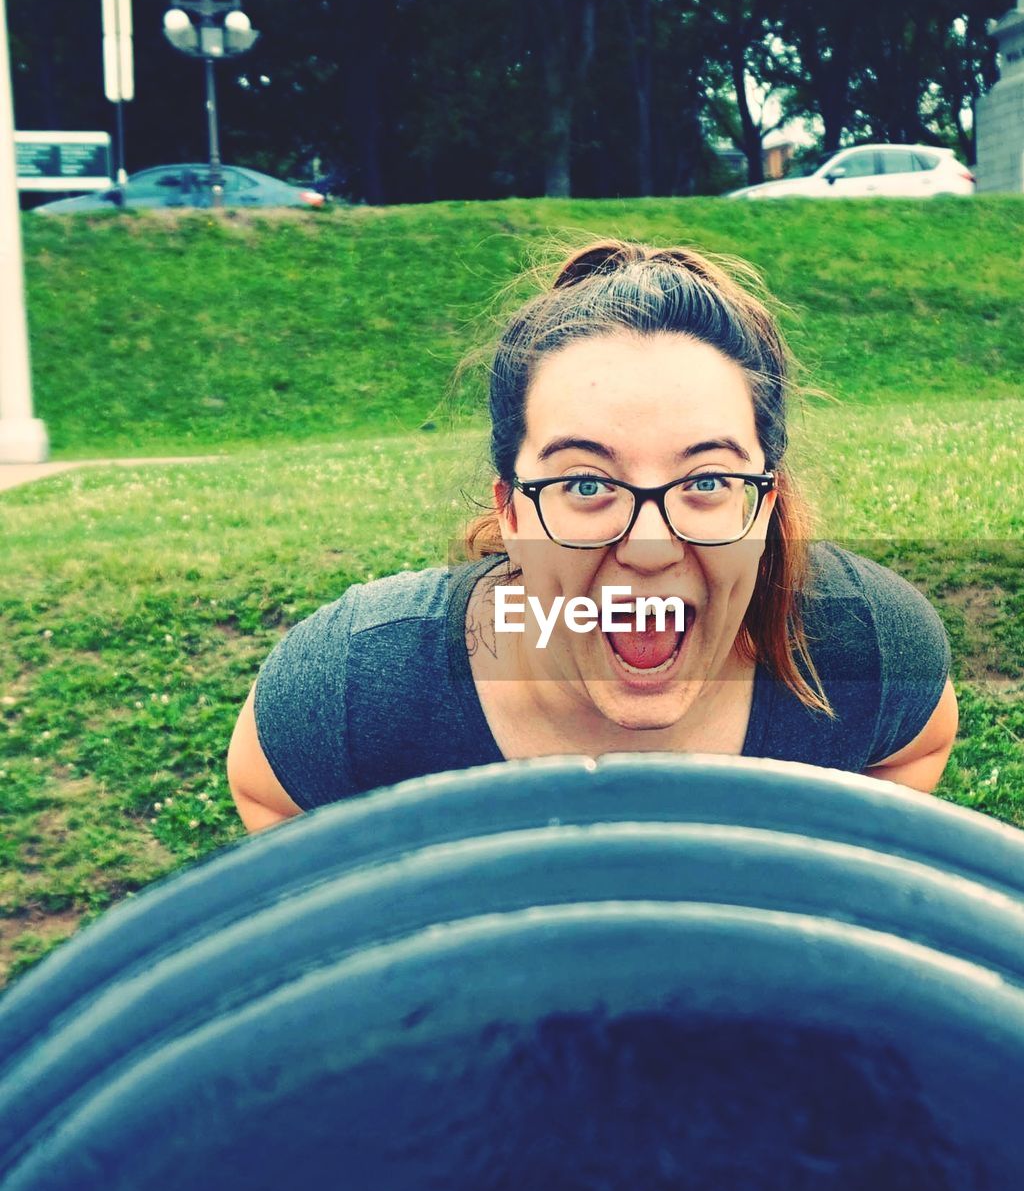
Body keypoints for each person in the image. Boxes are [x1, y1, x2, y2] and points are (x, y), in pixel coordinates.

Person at [227, 240, 958, 832]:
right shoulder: (370, 680)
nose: (648, 547)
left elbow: (918, 741)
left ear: (764, 508)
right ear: (511, 513)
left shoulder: (863, 642)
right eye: (585, 484)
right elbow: (267, 786)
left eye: (707, 481)